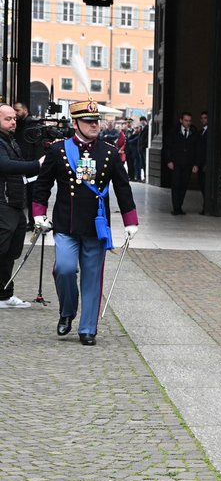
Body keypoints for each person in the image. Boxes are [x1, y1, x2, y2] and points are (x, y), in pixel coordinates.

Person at [31, 99, 138, 344]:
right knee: (64, 269)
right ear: (76, 123)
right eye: (88, 121)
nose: (94, 125)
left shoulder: (109, 152)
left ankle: (88, 328)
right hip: (66, 224)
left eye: (96, 121)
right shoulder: (58, 150)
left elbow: (123, 187)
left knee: (92, 277)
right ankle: (67, 311)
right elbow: (43, 184)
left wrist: (130, 220)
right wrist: (38, 213)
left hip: (95, 225)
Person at [0, 104, 42, 308]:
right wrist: (37, 164)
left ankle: (5, 295)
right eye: (7, 119)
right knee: (2, 249)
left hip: (15, 203)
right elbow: (6, 165)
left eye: (14, 119)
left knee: (12, 251)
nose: (13, 122)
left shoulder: (10, 140)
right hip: (3, 203)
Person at [164, 111, 200, 215]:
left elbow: (198, 149)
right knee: (175, 184)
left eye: (189, 121)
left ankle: (179, 206)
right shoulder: (173, 132)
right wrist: (169, 161)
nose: (188, 123)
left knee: (184, 185)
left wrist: (196, 164)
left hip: (188, 164)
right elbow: (167, 147)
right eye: (185, 120)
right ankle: (176, 207)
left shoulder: (194, 132)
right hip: (176, 163)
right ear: (181, 120)